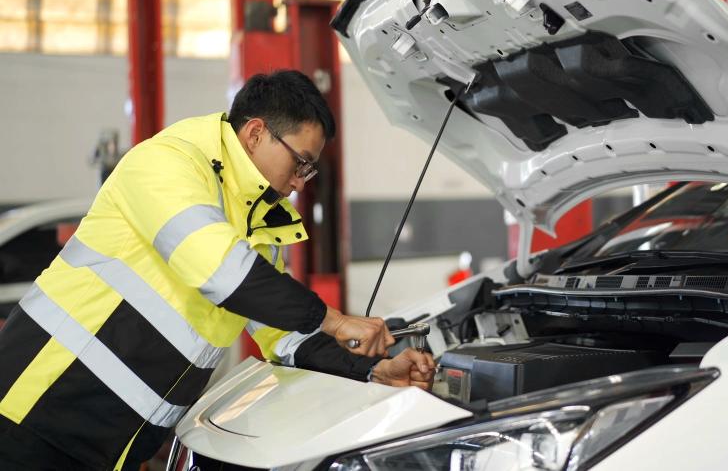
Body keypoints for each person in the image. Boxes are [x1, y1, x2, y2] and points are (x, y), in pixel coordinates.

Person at [0, 70, 435, 470]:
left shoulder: (256, 222)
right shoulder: (168, 164)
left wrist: (373, 372)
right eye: (300, 162)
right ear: (255, 133)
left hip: (116, 444)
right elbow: (223, 273)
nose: (302, 182)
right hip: (37, 412)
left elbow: (288, 337)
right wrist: (337, 319)